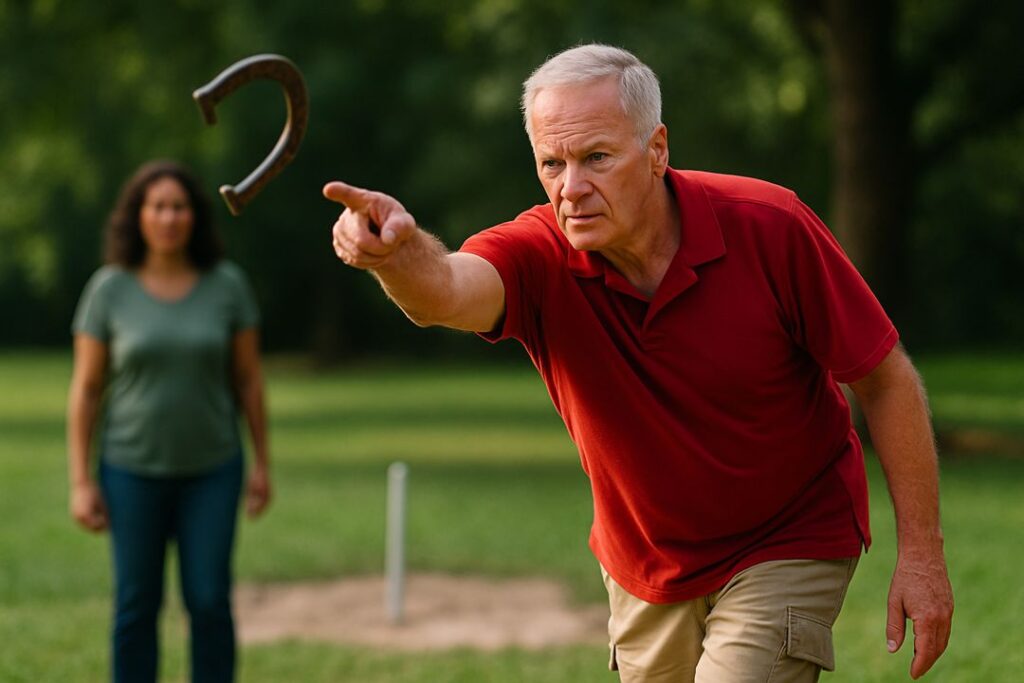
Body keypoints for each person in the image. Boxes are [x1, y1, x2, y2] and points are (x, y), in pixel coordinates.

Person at [325, 44, 953, 682]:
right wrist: (396, 256)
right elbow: (446, 293)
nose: (572, 188)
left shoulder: (770, 225)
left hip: (785, 537)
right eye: (552, 163)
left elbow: (885, 376)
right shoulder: (539, 254)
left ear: (656, 150)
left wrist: (922, 555)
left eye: (596, 157)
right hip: (646, 567)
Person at [67, 159, 271, 683]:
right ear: (137, 216)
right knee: (136, 605)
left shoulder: (227, 286)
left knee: (208, 601)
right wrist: (81, 480)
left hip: (213, 469)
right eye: (157, 206)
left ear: (194, 217)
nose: (168, 217)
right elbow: (87, 390)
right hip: (130, 470)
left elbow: (248, 381)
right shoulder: (108, 289)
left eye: (178, 207)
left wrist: (262, 465)